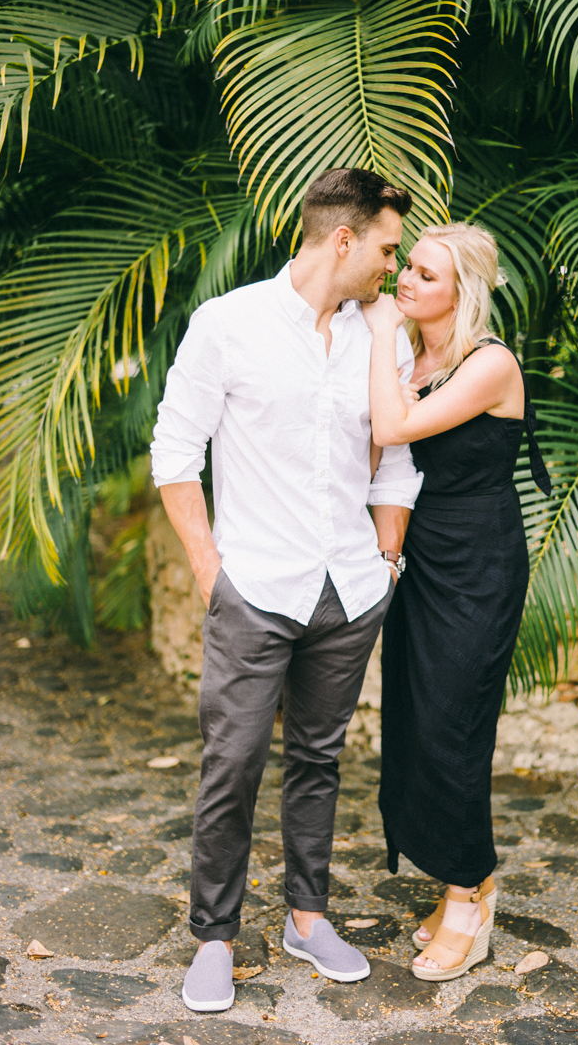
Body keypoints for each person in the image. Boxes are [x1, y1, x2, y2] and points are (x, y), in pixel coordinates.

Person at [150, 168, 423, 1010]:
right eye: (385, 247)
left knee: (318, 758)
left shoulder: (386, 333)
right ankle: (216, 938)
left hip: (348, 587)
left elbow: (398, 454)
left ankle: (308, 917)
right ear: (342, 239)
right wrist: (209, 570)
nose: (393, 264)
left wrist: (384, 562)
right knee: (231, 763)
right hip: (255, 586)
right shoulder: (227, 325)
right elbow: (174, 451)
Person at [362, 221, 551, 982]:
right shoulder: (423, 355)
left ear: (462, 292)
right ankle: (464, 882)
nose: (406, 280)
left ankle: (469, 909)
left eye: (426, 275)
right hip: (426, 556)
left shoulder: (488, 362)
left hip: (478, 560)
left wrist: (378, 334)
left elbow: (393, 426)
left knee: (453, 726)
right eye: (406, 266)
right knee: (413, 719)